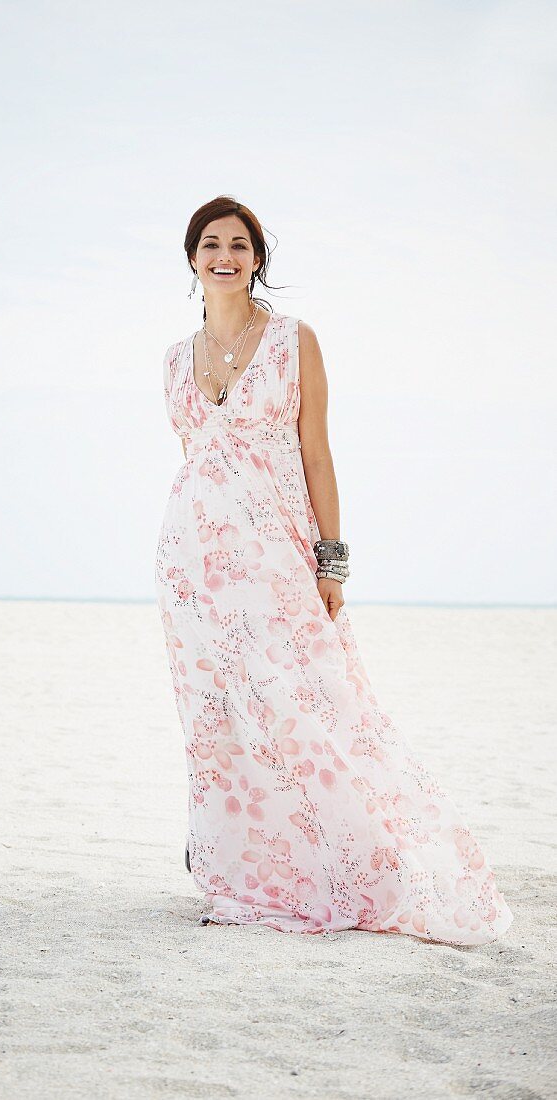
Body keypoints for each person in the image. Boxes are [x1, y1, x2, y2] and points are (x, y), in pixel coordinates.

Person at [154, 195, 513, 945]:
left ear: (257, 261)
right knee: (220, 717)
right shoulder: (171, 360)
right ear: (192, 259)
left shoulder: (291, 341)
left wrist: (331, 561)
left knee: (311, 702)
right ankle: (241, 868)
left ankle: (354, 860)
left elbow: (315, 452)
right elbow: (194, 459)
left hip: (278, 556)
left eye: (240, 245)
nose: (225, 255)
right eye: (211, 244)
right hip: (193, 565)